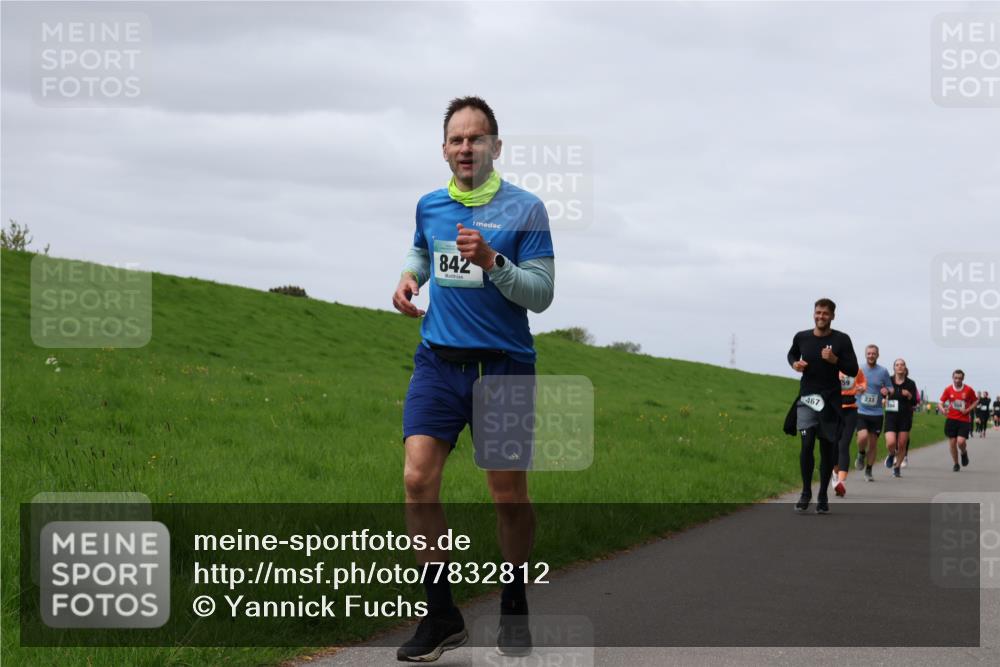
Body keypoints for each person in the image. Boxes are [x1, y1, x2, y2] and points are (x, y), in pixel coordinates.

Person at [392, 96, 555, 662]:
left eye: (476, 138)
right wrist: (409, 280)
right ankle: (441, 615)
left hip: (504, 366)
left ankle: (514, 603)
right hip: (439, 362)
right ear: (444, 149)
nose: (466, 148)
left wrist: (493, 261)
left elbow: (542, 294)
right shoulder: (430, 205)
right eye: (456, 140)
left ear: (495, 147)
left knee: (508, 495)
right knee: (417, 480)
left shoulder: (526, 210)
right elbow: (422, 250)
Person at [786, 298, 859, 514]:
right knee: (807, 444)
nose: (821, 317)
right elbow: (791, 354)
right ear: (813, 313)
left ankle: (823, 494)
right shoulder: (802, 337)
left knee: (828, 450)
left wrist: (836, 360)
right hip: (807, 398)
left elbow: (853, 370)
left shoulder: (842, 340)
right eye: (818, 313)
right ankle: (806, 492)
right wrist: (794, 364)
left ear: (833, 316)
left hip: (831, 401)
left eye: (825, 314)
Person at [854, 345, 893, 482]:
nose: (871, 355)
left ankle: (869, 470)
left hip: (876, 413)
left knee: (873, 444)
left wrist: (887, 391)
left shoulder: (883, 371)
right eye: (869, 353)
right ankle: (860, 453)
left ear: (878, 355)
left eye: (873, 353)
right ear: (865, 355)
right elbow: (850, 385)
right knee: (862, 437)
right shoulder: (859, 369)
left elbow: (891, 388)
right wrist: (856, 388)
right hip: (860, 410)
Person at [831, 368, 866, 497]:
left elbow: (862, 384)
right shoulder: (830, 368)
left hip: (850, 410)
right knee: (833, 445)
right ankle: (835, 473)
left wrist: (861, 388)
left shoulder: (856, 369)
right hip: (833, 409)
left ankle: (841, 481)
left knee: (844, 445)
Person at [884, 359, 918, 478]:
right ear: (894, 368)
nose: (900, 367)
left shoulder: (911, 383)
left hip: (905, 417)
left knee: (902, 444)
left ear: (905, 368)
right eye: (897, 365)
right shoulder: (888, 381)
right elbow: (882, 394)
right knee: (891, 442)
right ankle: (891, 453)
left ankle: (897, 467)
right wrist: (883, 395)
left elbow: (914, 402)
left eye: (902, 365)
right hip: (891, 416)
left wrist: (909, 395)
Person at [937, 370, 977, 472]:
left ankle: (963, 452)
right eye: (955, 378)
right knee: (952, 443)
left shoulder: (968, 390)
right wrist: (942, 410)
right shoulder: (948, 389)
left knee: (961, 441)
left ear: (963, 378)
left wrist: (967, 410)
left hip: (963, 420)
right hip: (951, 419)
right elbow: (940, 402)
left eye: (959, 378)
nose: (957, 380)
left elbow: (976, 401)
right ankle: (956, 463)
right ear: (952, 378)